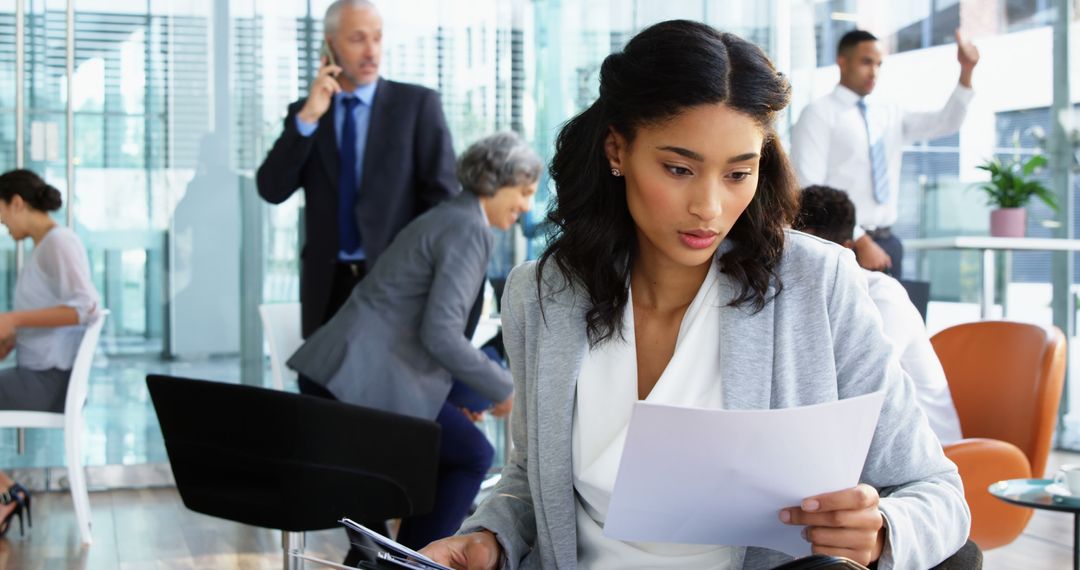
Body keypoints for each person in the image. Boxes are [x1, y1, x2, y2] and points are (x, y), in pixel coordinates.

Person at [420, 21, 970, 569]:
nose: (709, 207)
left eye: (738, 172)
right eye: (679, 168)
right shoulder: (542, 294)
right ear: (617, 148)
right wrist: (489, 535)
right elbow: (528, 478)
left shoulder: (817, 284)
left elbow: (937, 491)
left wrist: (882, 534)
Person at [289, 131, 542, 549]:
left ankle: (391, 557)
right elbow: (440, 334)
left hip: (343, 374)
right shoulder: (468, 229)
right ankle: (414, 562)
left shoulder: (450, 216)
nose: (527, 205)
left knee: (440, 457)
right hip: (360, 382)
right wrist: (505, 389)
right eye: (525, 191)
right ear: (496, 181)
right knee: (472, 455)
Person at [256, 0, 458, 338]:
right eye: (357, 39)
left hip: (396, 288)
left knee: (385, 392)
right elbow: (272, 189)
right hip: (326, 292)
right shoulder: (307, 114)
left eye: (377, 38)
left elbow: (443, 203)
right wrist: (306, 119)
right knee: (319, 391)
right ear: (331, 44)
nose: (371, 52)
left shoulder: (416, 106)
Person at [789, 29, 980, 278]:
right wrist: (860, 240)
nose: (874, 71)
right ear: (842, 62)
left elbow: (946, 123)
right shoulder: (818, 114)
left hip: (888, 243)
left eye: (879, 64)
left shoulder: (889, 113)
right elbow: (809, 188)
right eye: (866, 62)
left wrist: (966, 72)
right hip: (842, 243)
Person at [794, 185, 962, 445]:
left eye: (811, 249)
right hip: (868, 445)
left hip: (927, 457)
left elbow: (862, 388)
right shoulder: (809, 297)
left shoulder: (883, 297)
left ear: (847, 250)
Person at [0, 169, 102, 537]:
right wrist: (14, 332)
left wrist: (14, 318)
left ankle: (6, 494)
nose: (2, 224)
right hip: (40, 376)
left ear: (16, 203)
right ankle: (6, 492)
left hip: (50, 382)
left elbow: (86, 307)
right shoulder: (46, 247)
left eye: (1, 214)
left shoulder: (58, 243)